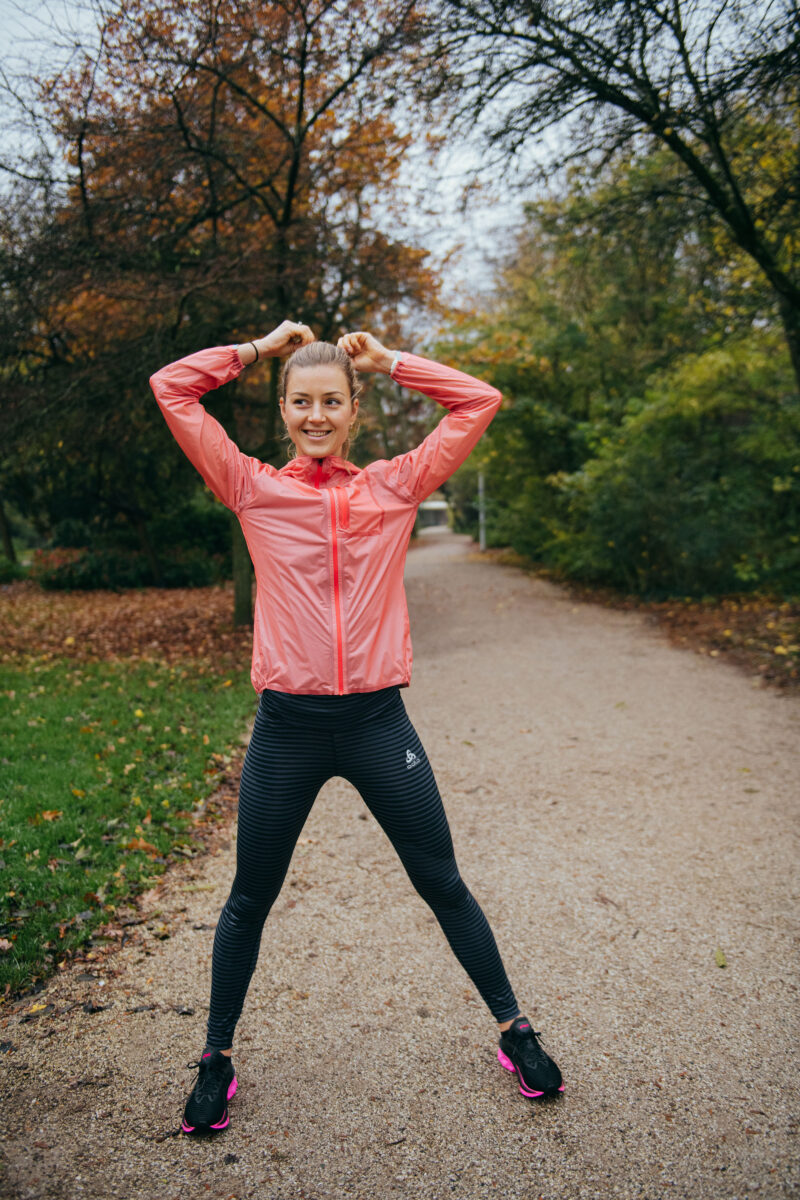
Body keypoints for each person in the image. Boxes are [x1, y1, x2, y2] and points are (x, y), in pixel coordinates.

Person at [149, 320, 563, 1135]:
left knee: (441, 880)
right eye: (301, 402)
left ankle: (515, 1031)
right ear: (282, 409)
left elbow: (479, 400)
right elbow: (172, 388)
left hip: (378, 722)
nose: (315, 415)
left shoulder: (394, 486)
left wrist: (391, 360)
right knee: (249, 898)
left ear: (352, 409)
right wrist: (260, 349)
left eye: (331, 401)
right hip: (288, 729)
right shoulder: (250, 486)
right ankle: (215, 1058)